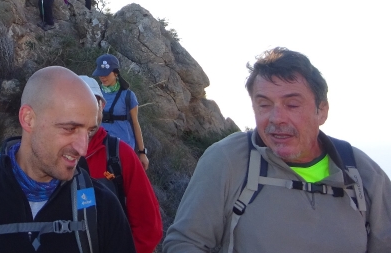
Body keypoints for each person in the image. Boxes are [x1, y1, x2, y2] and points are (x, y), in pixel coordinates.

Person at [164, 47, 391, 253]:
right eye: (264, 105)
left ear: (321, 111)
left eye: (292, 105)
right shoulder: (227, 160)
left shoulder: (363, 173)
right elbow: (185, 243)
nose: (276, 118)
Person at [0, 67, 136, 253]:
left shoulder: (102, 206)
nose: (83, 148)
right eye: (70, 129)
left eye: (89, 131)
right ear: (28, 119)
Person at [80, 76, 163, 253]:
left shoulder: (120, 155)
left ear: (102, 107)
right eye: (80, 105)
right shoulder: (53, 154)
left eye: (94, 104)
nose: (87, 114)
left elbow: (148, 225)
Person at [93, 54, 149, 170]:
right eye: (100, 74)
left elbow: (135, 124)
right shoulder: (94, 93)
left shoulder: (128, 96)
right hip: (99, 147)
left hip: (123, 148)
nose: (102, 77)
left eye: (106, 73)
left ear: (116, 73)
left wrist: (142, 152)